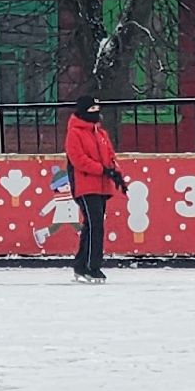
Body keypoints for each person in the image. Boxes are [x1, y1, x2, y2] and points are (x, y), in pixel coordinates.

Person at [64, 95, 127, 283]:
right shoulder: (75, 133)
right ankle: (93, 267)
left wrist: (115, 171)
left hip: (101, 186)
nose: (96, 113)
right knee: (95, 225)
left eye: (97, 109)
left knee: (91, 226)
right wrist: (102, 170)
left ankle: (81, 265)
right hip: (85, 186)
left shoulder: (101, 134)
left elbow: (110, 156)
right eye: (91, 109)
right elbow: (79, 159)